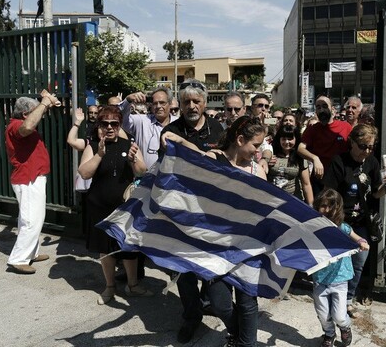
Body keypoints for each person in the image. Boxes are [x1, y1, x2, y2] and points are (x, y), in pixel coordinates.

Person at [162, 115, 267, 347]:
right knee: (220, 303)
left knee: (247, 302)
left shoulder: (257, 170)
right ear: (240, 139)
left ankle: (245, 343)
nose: (258, 152)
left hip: (247, 248)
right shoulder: (213, 159)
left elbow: (265, 209)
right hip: (216, 248)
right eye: (256, 145)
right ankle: (237, 333)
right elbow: (193, 176)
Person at [159, 79, 225, 343]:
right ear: (180, 104)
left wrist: (188, 149)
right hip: (181, 210)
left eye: (196, 101)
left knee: (210, 264)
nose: (191, 106)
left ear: (205, 103)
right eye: (186, 101)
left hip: (210, 210)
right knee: (184, 269)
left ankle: (210, 301)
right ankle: (191, 316)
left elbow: (221, 165)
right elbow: (164, 169)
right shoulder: (171, 129)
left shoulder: (217, 129)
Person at [77, 106, 152, 305]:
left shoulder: (130, 144)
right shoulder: (93, 145)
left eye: (114, 124)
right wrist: (99, 155)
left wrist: (133, 159)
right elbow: (84, 173)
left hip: (125, 208)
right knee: (106, 249)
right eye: (105, 124)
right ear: (99, 125)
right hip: (100, 205)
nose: (109, 128)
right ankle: (109, 286)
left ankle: (133, 285)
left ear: (119, 125)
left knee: (129, 248)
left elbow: (142, 171)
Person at [323, 123, 386, 316]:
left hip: (363, 221)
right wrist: (334, 221)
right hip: (341, 222)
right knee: (338, 264)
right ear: (352, 142)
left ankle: (348, 299)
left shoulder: (371, 162)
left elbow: (376, 194)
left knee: (358, 263)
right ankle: (332, 299)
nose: (367, 150)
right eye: (363, 146)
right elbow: (329, 194)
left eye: (371, 147)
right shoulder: (339, 161)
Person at [5, 91, 59, 274]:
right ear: (25, 113)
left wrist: (47, 104)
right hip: (28, 178)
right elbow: (27, 127)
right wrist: (44, 103)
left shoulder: (19, 122)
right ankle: (18, 259)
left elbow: (31, 123)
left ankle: (30, 252)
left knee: (28, 219)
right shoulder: (17, 125)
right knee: (31, 220)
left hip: (31, 177)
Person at [312, 189, 369, 347]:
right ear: (317, 207)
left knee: (339, 315)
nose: (328, 210)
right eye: (323, 206)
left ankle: (345, 327)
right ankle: (329, 334)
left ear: (339, 208)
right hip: (320, 279)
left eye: (332, 206)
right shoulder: (314, 229)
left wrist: (362, 243)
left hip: (340, 279)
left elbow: (357, 238)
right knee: (323, 314)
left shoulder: (343, 228)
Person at [298, 95, 352, 194]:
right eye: (318, 107)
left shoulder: (345, 127)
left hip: (342, 179)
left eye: (324, 106)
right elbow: (301, 148)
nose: (321, 110)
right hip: (320, 180)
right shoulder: (312, 129)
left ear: (332, 109)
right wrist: (315, 159)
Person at [120, 87, 178, 170]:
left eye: (162, 103)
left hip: (172, 179)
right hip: (147, 179)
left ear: (170, 104)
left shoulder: (178, 124)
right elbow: (118, 117)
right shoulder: (142, 121)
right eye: (155, 103)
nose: (158, 106)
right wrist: (128, 100)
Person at [268, 124, 314, 205]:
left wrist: (311, 206)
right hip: (272, 200)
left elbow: (306, 184)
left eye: (290, 139)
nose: (286, 142)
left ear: (296, 139)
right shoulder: (271, 153)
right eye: (283, 139)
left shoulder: (300, 157)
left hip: (293, 201)